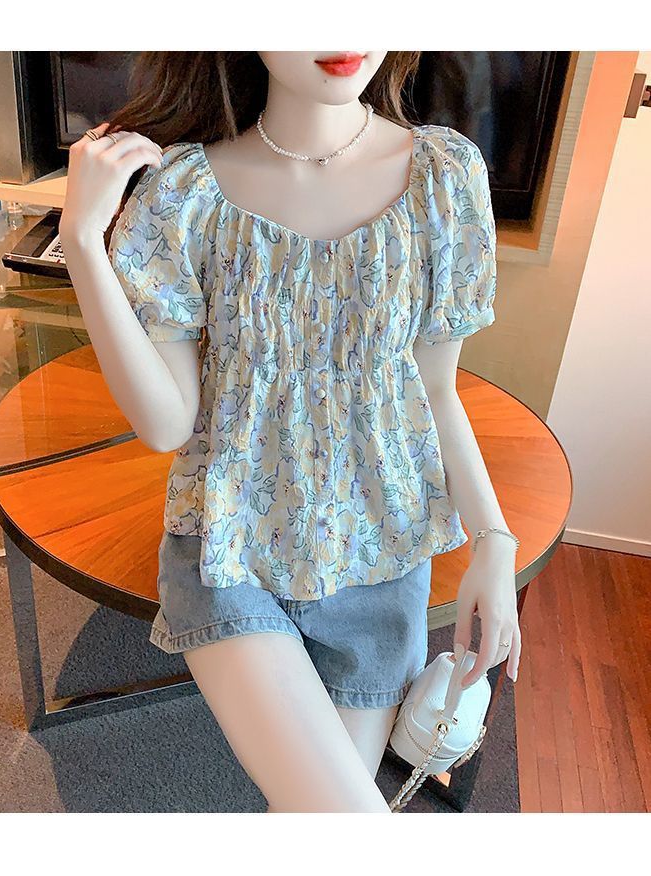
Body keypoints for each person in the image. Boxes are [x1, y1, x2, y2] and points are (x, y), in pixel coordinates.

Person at [59, 51, 521, 814]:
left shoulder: (444, 177)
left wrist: (494, 541)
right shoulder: (184, 193)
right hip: (230, 548)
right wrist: (82, 239)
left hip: (381, 556)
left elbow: (435, 390)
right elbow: (167, 424)